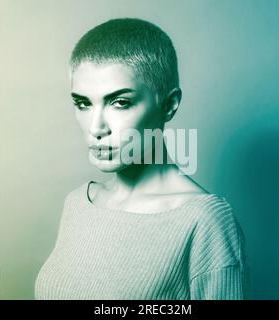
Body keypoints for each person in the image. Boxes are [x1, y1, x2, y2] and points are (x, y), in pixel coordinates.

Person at [34, 18, 245, 300]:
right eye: (83, 103)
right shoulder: (77, 203)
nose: (96, 128)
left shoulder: (203, 221)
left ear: (169, 105)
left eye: (120, 102)